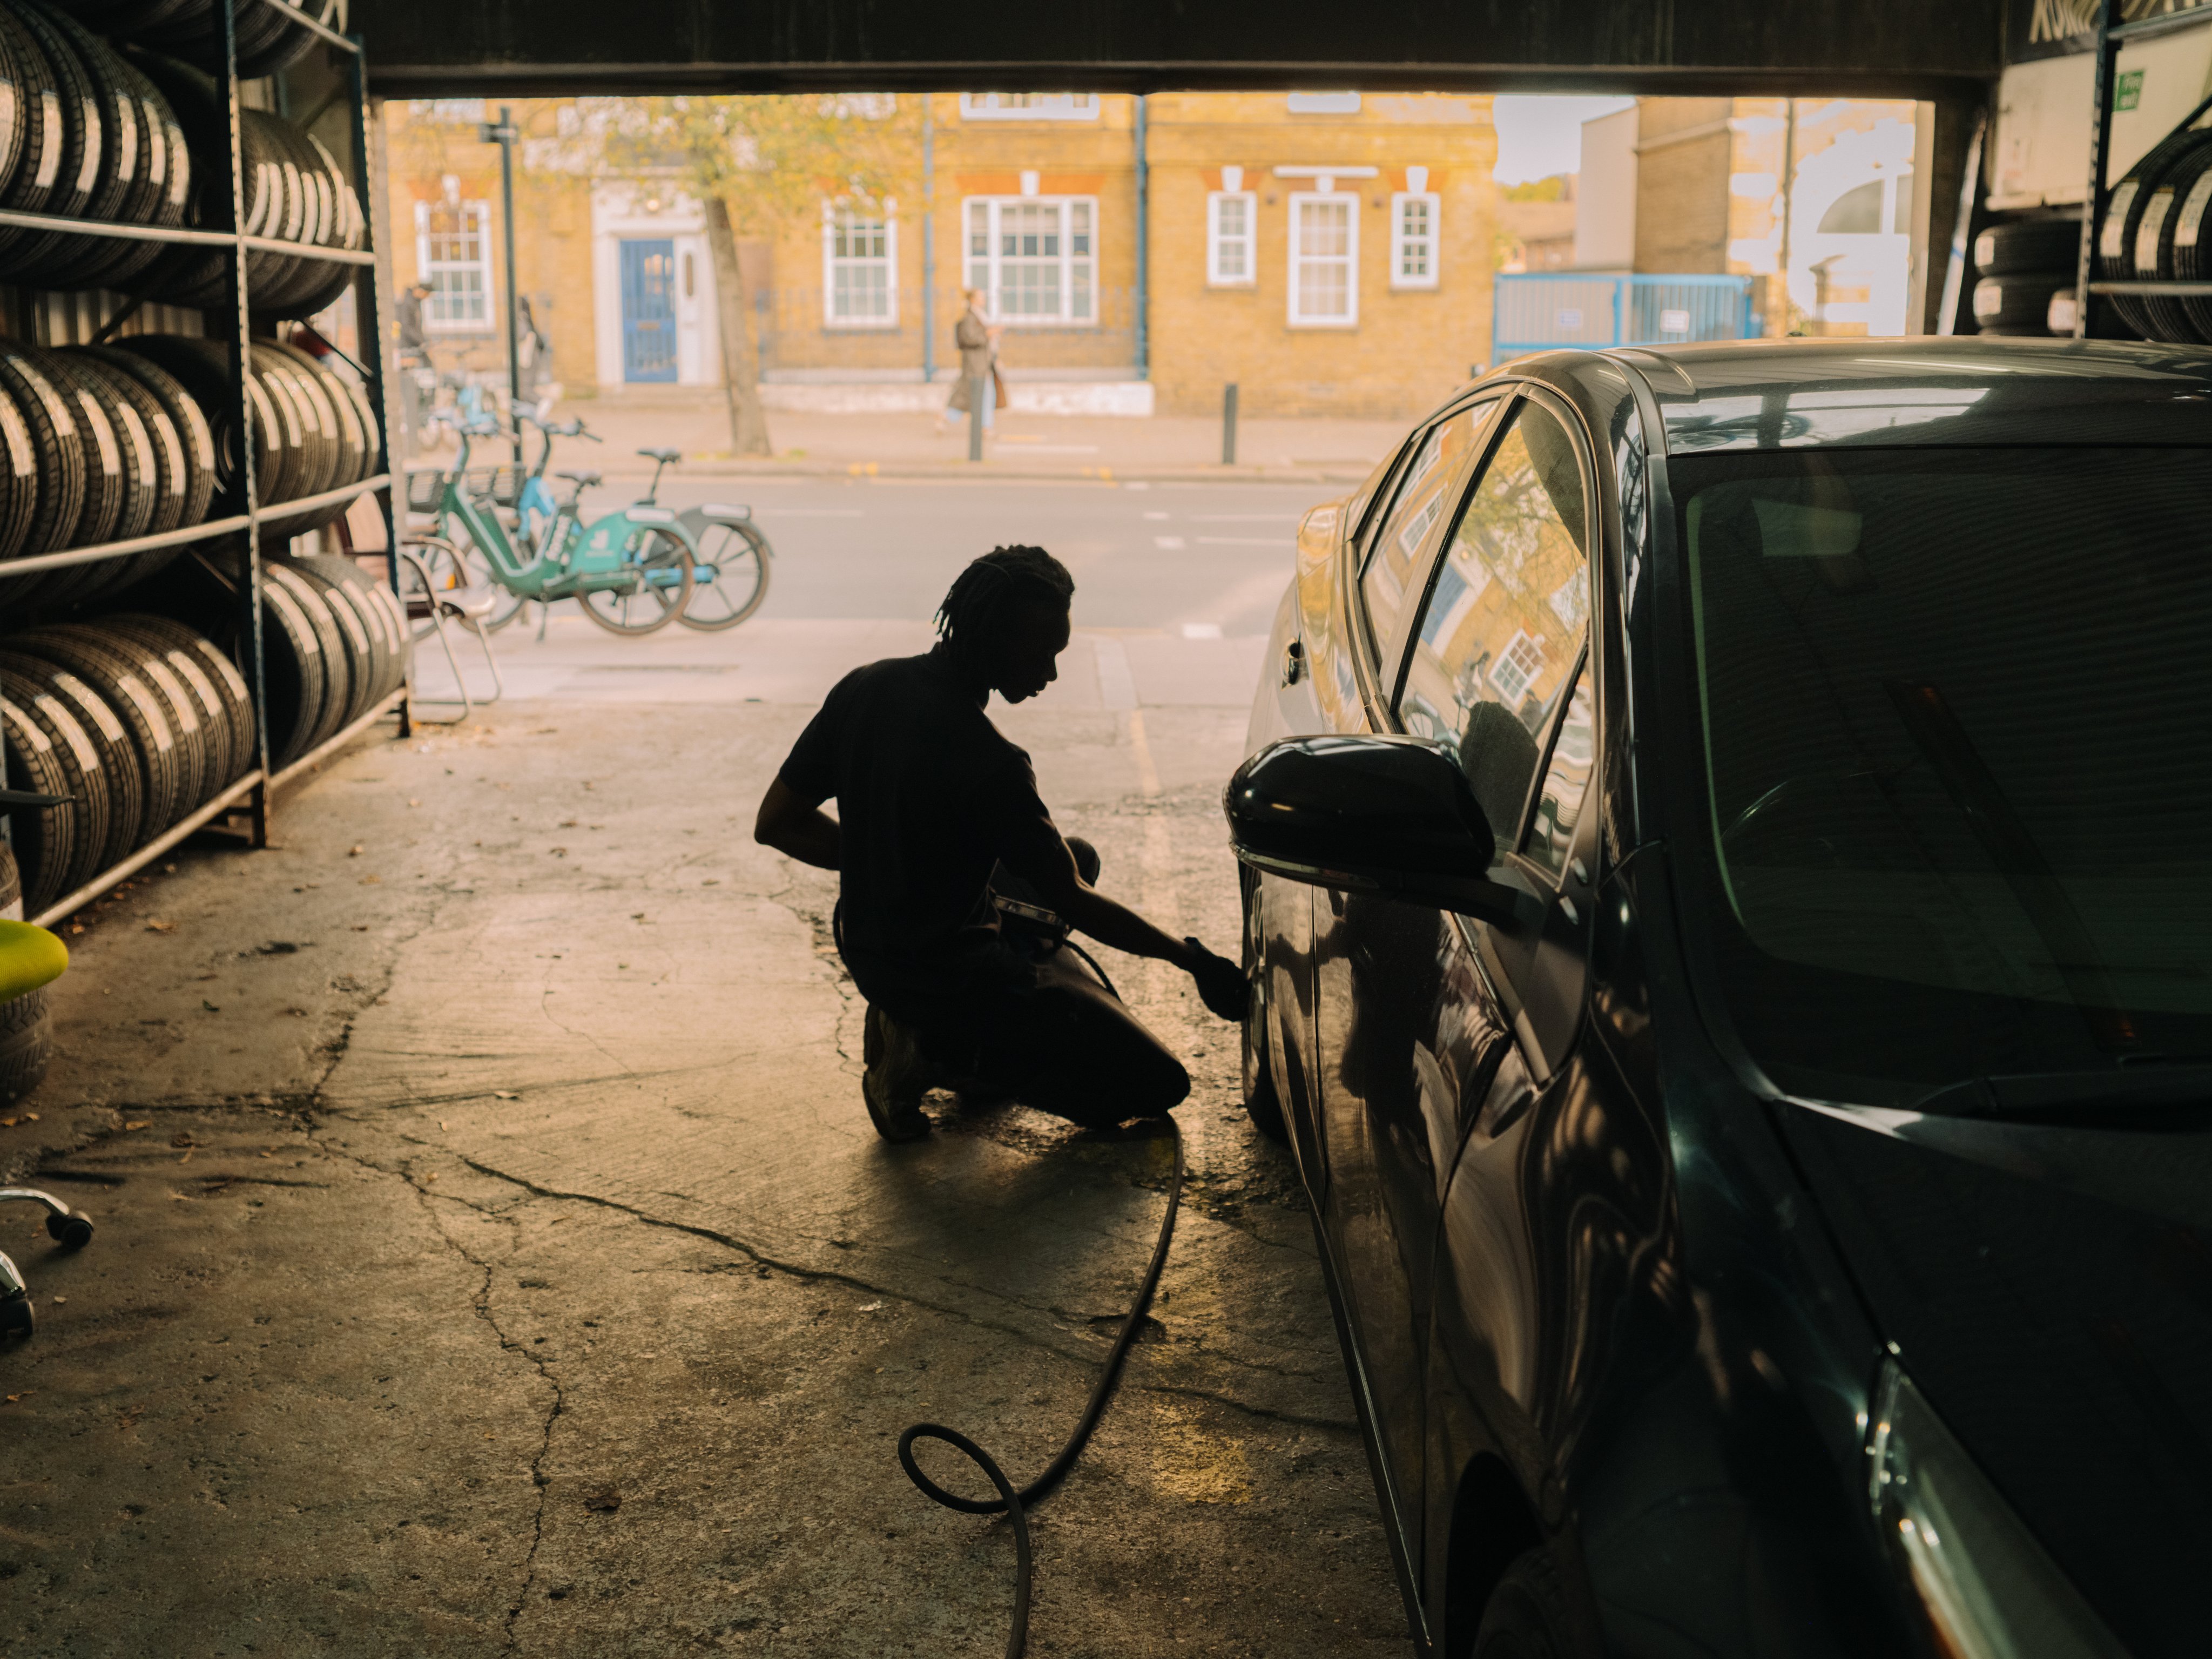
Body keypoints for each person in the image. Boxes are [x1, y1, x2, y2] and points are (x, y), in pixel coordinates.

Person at [754, 546, 1247, 1142]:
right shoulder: (991, 764)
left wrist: (886, 861)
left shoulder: (867, 686)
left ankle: (915, 1020)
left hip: (867, 941)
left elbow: (777, 821)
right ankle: (939, 1052)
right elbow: (1073, 903)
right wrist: (1190, 960)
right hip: (948, 976)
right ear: (990, 637)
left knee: (1077, 854)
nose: (1051, 673)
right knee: (1156, 1087)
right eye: (1041, 654)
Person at [939, 287, 1002, 437]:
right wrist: (988, 334)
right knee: (975, 393)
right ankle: (950, 417)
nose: (983, 299)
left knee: (983, 393)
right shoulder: (970, 317)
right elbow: (970, 339)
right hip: (975, 362)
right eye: (980, 297)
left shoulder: (979, 316)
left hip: (983, 361)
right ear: (973, 300)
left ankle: (951, 418)